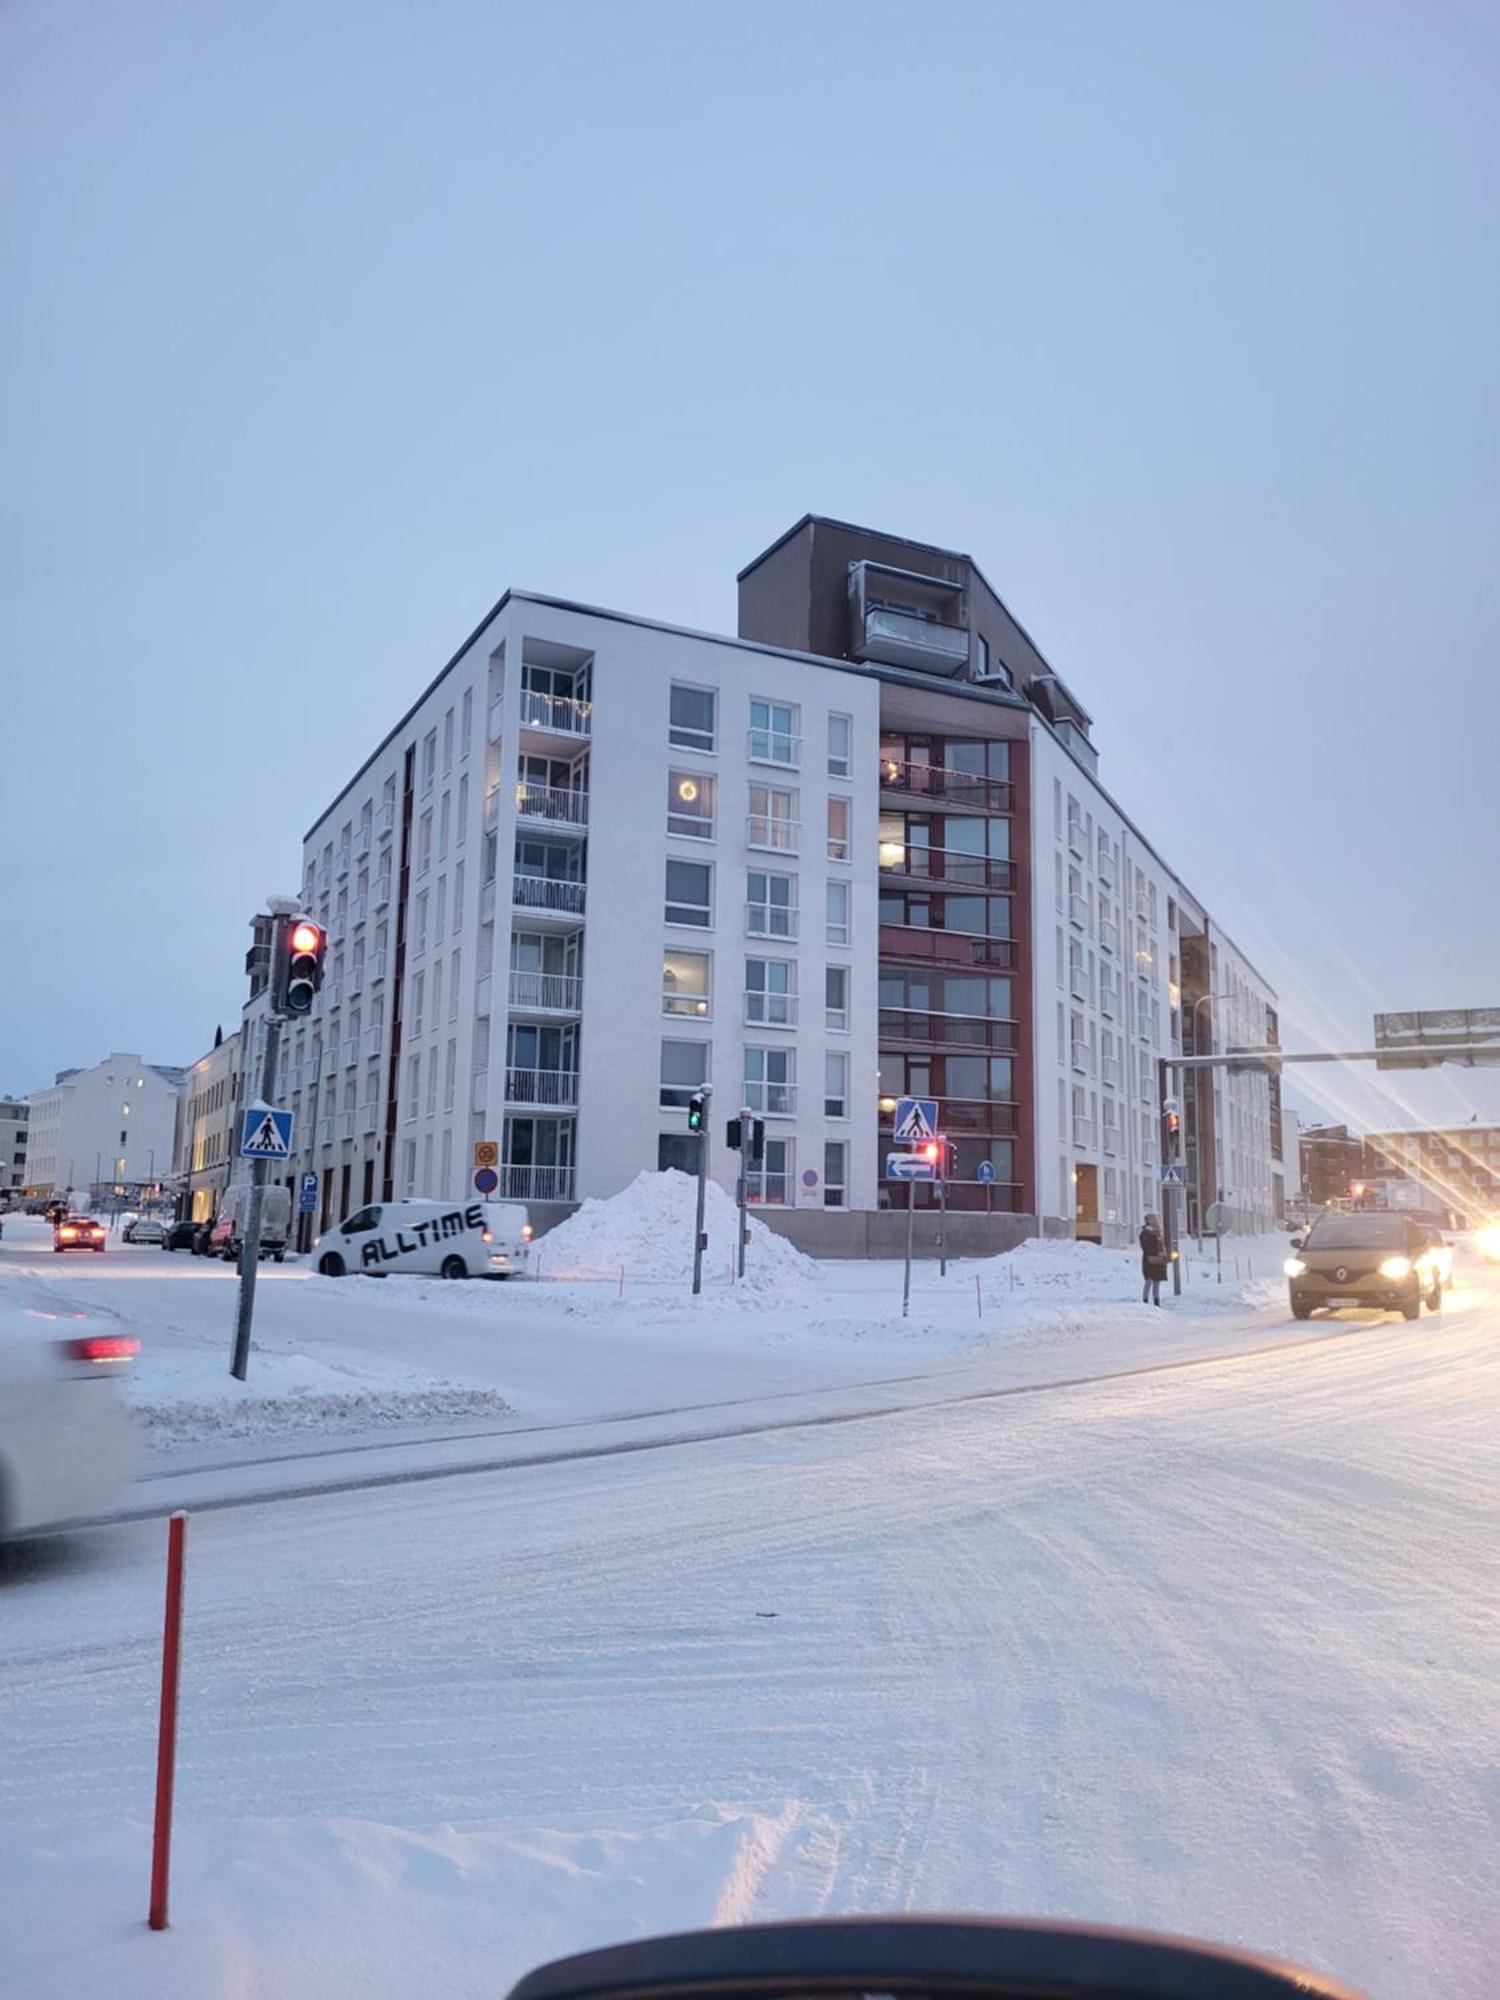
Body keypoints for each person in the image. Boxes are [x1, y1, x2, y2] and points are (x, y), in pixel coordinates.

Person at [1139, 1212, 1168, 1306]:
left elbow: (1162, 1245)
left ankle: (1156, 1302)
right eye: (1153, 1219)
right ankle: (1145, 1301)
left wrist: (1163, 1253)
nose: (1155, 1221)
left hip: (1159, 1260)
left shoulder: (1158, 1232)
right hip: (1150, 1260)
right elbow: (1146, 1246)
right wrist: (1156, 1251)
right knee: (1149, 1280)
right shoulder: (1146, 1233)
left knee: (1157, 1282)